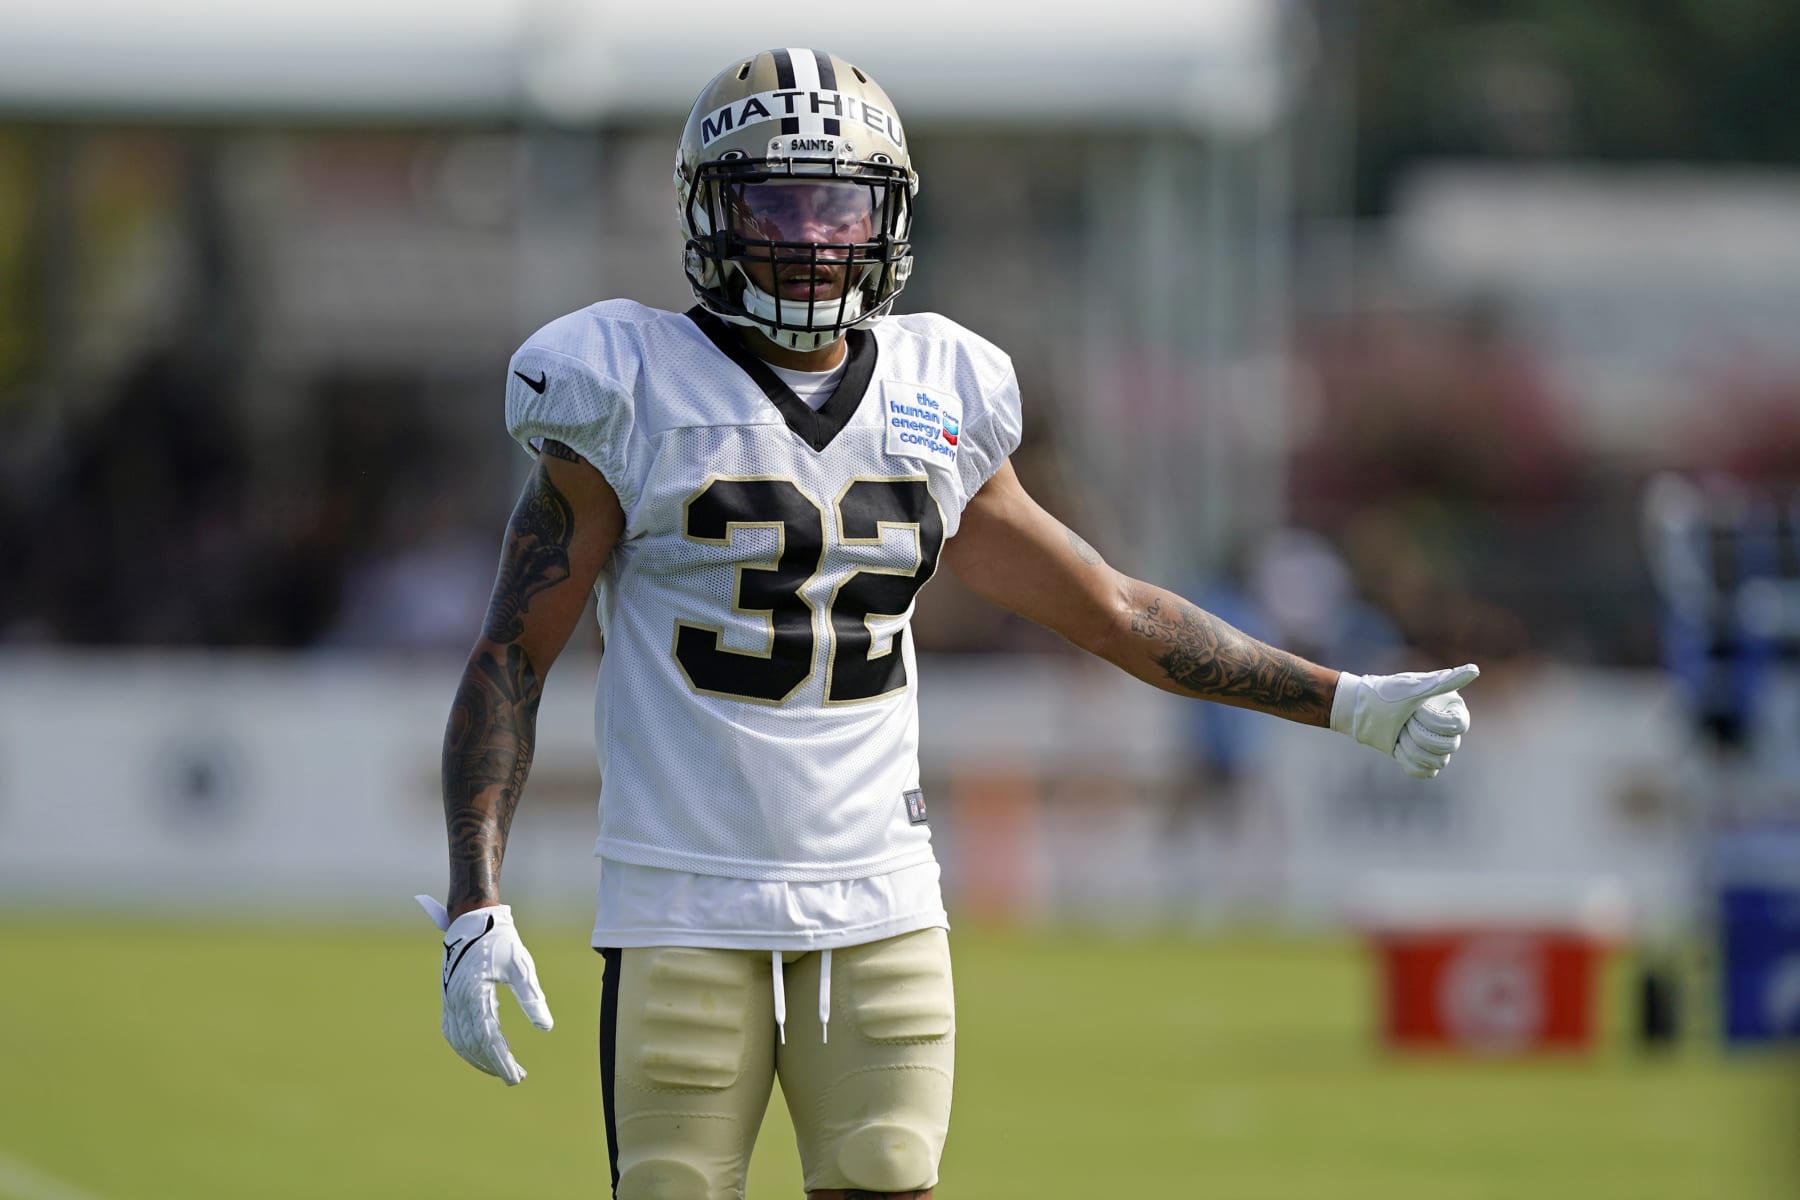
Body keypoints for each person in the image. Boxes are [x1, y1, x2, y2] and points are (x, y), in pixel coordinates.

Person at [417, 47, 1480, 1200]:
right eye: (778, 203)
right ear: (710, 211)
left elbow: (1114, 609)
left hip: (882, 905)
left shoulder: (940, 389)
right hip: (679, 900)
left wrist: (1345, 700)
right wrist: (475, 900)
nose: (813, 239)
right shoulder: (623, 382)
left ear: (890, 217)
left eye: (840, 206)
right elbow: (513, 654)